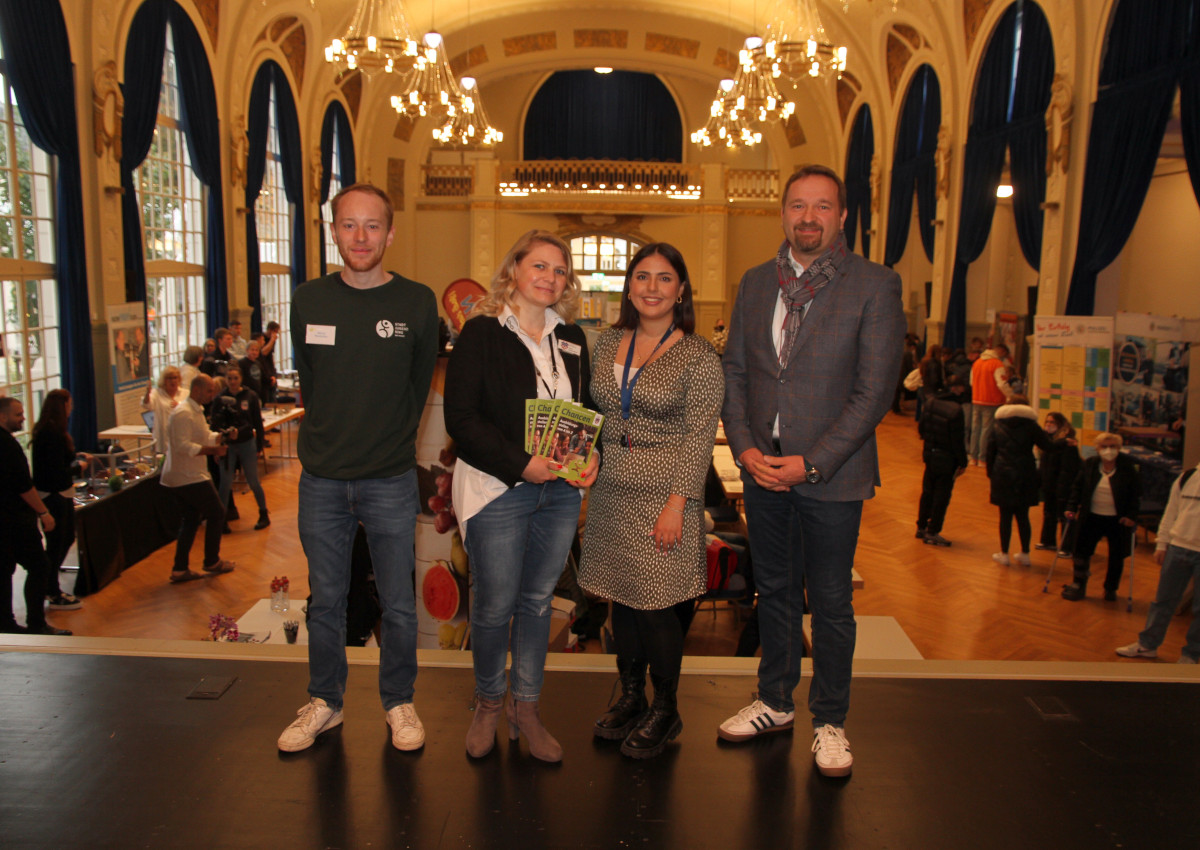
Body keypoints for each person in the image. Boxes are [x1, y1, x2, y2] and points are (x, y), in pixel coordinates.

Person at [718, 165, 905, 777]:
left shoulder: (875, 286)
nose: (808, 217)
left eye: (822, 206)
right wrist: (745, 449)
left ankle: (830, 720)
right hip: (763, 472)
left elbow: (873, 393)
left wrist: (813, 462)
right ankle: (775, 701)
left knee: (829, 603)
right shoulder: (752, 284)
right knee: (771, 591)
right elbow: (738, 375)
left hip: (832, 476)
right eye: (798, 205)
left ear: (842, 216)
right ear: (782, 213)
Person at [277, 183, 438, 754]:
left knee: (397, 600)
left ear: (390, 234)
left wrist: (389, 442)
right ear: (334, 232)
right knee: (326, 600)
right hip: (321, 479)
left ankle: (398, 701)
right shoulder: (307, 299)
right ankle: (326, 701)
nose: (361, 236)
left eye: (372, 226)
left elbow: (418, 388)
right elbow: (312, 381)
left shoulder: (418, 303)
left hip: (390, 478)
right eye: (350, 225)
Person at [444, 229, 597, 762]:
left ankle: (524, 708)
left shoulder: (572, 339)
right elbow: (461, 420)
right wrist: (521, 464)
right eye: (539, 266)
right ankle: (488, 703)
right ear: (514, 269)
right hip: (496, 489)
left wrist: (590, 455)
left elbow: (583, 411)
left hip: (558, 495)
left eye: (559, 270)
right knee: (492, 608)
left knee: (536, 605)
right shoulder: (481, 333)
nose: (549, 277)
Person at [578, 242, 723, 759]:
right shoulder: (608, 340)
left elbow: (700, 437)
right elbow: (595, 413)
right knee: (624, 600)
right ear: (629, 285)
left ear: (681, 288)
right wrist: (585, 457)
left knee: (659, 607)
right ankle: (632, 697)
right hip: (612, 486)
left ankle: (666, 709)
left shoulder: (698, 356)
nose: (652, 288)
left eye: (664, 279)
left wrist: (678, 503)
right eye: (643, 277)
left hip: (666, 489)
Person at [0, 397, 72, 635]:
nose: (23, 418)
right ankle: (36, 624)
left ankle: (6, 623)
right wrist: (43, 512)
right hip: (15, 520)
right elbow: (23, 486)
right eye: (18, 414)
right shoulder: (8, 445)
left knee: (5, 570)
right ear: (3, 417)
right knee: (39, 565)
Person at [1116, 462, 1200, 663]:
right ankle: (1147, 645)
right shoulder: (1187, 477)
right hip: (1178, 547)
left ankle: (1192, 654)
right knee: (1163, 601)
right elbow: (1171, 511)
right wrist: (1161, 544)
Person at [160, 374, 236, 583]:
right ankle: (211, 561)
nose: (213, 394)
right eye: (210, 390)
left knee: (191, 519)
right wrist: (213, 450)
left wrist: (222, 436)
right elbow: (182, 446)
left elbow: (203, 434)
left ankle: (180, 569)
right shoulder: (183, 413)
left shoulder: (195, 411)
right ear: (198, 390)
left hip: (189, 475)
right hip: (185, 476)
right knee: (217, 512)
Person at [1061, 433, 1141, 601]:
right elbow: (1077, 487)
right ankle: (1078, 584)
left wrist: (1131, 515)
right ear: (1097, 449)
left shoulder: (1127, 467)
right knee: (1081, 551)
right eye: (1104, 447)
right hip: (1091, 516)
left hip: (1117, 519)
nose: (1108, 450)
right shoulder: (1090, 464)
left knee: (1116, 556)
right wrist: (1071, 508)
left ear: (1119, 448)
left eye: (1112, 446)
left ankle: (1111, 589)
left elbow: (1135, 494)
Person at [32, 389, 91, 610]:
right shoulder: (52, 433)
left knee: (63, 540)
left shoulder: (50, 431)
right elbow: (56, 469)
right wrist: (79, 467)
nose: (72, 407)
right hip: (54, 496)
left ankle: (51, 585)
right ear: (63, 406)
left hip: (57, 494)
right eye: (70, 403)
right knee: (58, 542)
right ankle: (51, 589)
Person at [985, 394, 1053, 566]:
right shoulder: (1032, 426)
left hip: (1002, 473)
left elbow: (990, 451)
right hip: (1025, 472)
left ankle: (1004, 553)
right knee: (1023, 516)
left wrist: (991, 474)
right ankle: (1025, 553)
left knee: (1005, 516)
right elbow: (1047, 446)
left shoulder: (997, 424)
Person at [210, 365, 269, 531]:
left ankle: (263, 513)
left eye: (235, 378)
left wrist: (259, 445)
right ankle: (221, 520)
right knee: (225, 483)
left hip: (246, 443)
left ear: (241, 379)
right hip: (227, 446)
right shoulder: (220, 398)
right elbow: (214, 424)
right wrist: (217, 446)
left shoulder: (250, 396)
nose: (233, 381)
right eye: (229, 378)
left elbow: (256, 422)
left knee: (253, 480)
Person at [916, 375, 969, 546]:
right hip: (947, 459)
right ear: (955, 388)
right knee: (942, 496)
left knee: (927, 492)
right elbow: (957, 440)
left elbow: (921, 429)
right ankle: (933, 531)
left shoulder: (930, 403)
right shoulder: (956, 410)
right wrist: (963, 462)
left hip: (930, 454)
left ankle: (921, 526)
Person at [1034, 412, 1080, 554]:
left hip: (1062, 486)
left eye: (1052, 422)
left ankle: (1068, 547)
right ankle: (1048, 541)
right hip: (1049, 485)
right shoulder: (1047, 443)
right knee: (1049, 514)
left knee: (1064, 516)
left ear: (1060, 425)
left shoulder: (1068, 443)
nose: (1048, 424)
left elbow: (1068, 470)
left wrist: (1063, 486)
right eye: (1047, 421)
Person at [968, 343, 1013, 466]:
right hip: (992, 400)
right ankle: (983, 458)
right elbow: (1001, 384)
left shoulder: (976, 363)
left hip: (976, 399)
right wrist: (1011, 395)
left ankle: (973, 457)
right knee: (986, 430)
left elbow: (971, 382)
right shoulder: (997, 364)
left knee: (975, 429)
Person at [142, 366, 186, 454]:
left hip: (181, 437)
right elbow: (147, 405)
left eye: (175, 378)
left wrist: (180, 406)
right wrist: (147, 393)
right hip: (162, 439)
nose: (173, 381)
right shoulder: (157, 393)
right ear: (164, 380)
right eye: (169, 378)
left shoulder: (185, 393)